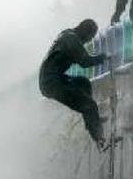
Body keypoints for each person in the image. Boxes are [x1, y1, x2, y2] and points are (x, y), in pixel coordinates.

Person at [38, 19, 108, 148]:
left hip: (52, 79)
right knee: (89, 105)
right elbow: (85, 62)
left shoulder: (68, 35)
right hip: (52, 83)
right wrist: (102, 58)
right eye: (89, 38)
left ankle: (91, 120)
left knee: (83, 83)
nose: (88, 41)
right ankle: (99, 139)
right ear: (85, 32)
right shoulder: (72, 40)